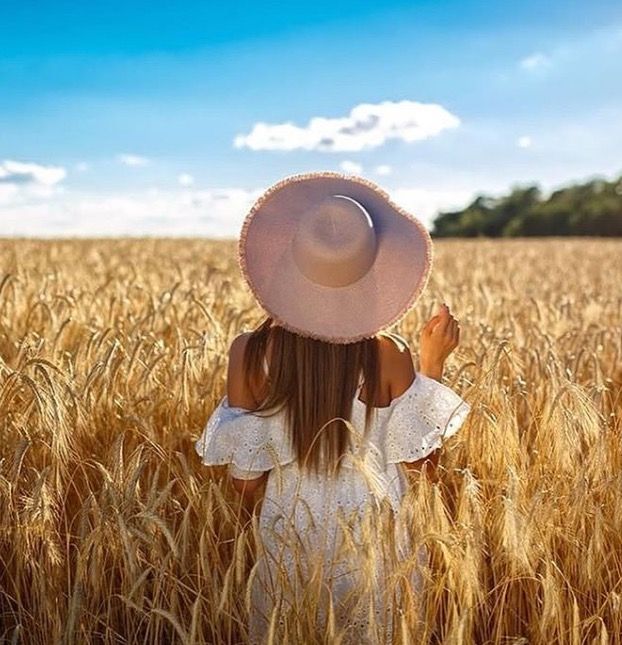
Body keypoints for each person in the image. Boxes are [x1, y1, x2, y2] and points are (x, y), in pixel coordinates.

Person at [194, 172, 471, 643]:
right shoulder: (388, 352)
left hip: (292, 531)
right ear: (372, 269)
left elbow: (243, 483)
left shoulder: (249, 351)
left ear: (286, 263)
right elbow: (422, 465)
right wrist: (432, 365)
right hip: (376, 538)